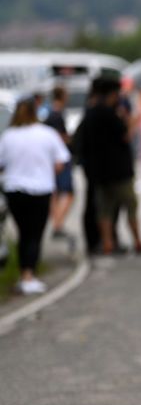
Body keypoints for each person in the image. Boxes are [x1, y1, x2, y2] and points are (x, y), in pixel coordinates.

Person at [0, 97, 70, 294]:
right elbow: (60, 163)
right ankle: (29, 274)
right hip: (40, 189)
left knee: (23, 232)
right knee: (35, 233)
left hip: (15, 189)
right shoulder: (47, 134)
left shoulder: (8, 136)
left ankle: (25, 273)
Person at [75, 77, 141, 257]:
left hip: (99, 172)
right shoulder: (109, 113)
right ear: (112, 93)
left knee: (103, 209)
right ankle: (137, 242)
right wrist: (133, 121)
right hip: (119, 171)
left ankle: (106, 243)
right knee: (130, 205)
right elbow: (126, 136)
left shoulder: (90, 113)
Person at [43, 86, 75, 243]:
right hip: (59, 159)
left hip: (52, 158)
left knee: (55, 193)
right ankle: (58, 224)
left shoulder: (51, 112)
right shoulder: (56, 114)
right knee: (68, 193)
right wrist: (69, 139)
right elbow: (58, 138)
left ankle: (57, 224)